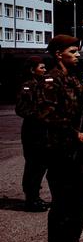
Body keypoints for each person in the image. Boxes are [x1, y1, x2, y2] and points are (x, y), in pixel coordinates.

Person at [36, 35, 83, 242]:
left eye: (78, 50)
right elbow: (45, 115)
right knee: (63, 208)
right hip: (61, 151)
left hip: (78, 152)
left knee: (77, 206)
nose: (78, 55)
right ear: (58, 53)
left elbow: (76, 110)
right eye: (73, 51)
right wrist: (75, 133)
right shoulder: (51, 80)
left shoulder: (74, 77)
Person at [15, 56, 50, 211]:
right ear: (32, 69)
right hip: (32, 131)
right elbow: (21, 109)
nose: (44, 70)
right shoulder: (27, 86)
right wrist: (40, 114)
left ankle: (35, 196)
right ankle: (31, 199)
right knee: (33, 166)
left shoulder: (43, 85)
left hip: (43, 131)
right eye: (41, 67)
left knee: (41, 165)